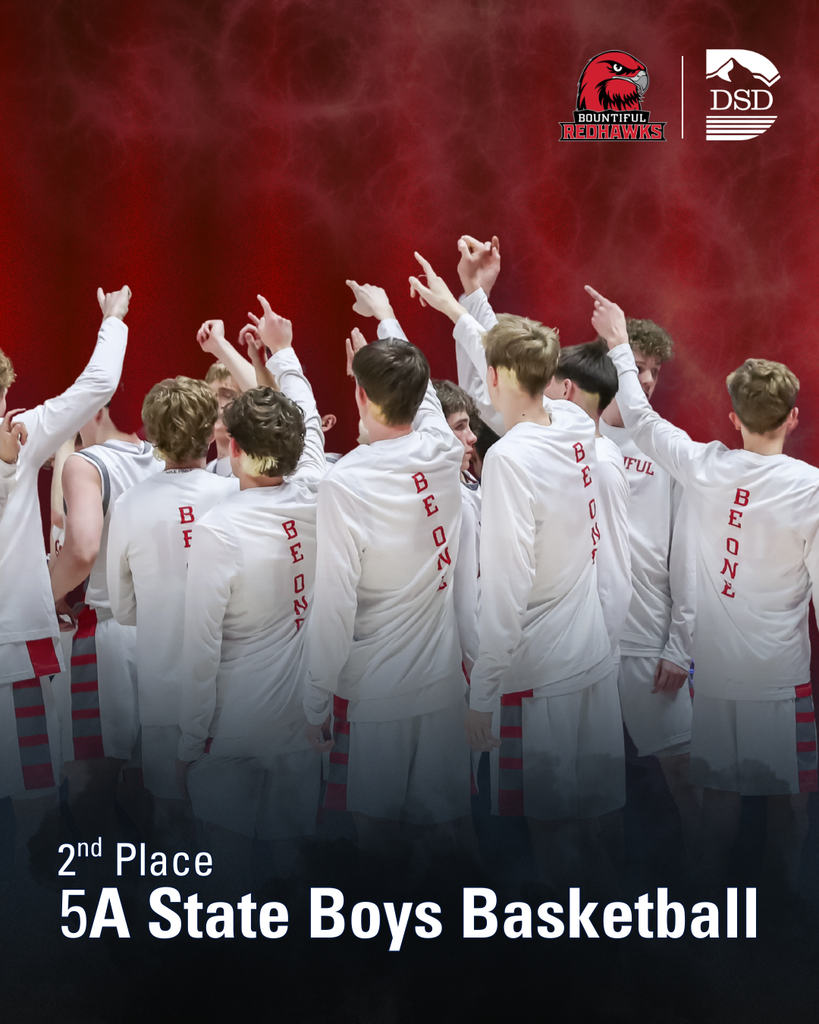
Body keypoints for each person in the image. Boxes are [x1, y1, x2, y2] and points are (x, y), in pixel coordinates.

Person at [589, 284, 818, 888]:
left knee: (717, 803)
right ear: (794, 417)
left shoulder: (702, 464)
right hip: (781, 679)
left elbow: (639, 417)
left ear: (733, 417)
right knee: (789, 801)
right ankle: (785, 910)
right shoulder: (812, 489)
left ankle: (707, 909)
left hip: (716, 677)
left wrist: (617, 343)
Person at [409, 254, 623, 886]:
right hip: (595, 661)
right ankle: (626, 966)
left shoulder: (511, 461)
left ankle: (571, 973)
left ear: (497, 374)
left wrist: (483, 694)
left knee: (554, 836)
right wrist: (461, 307)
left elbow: (506, 586)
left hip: (539, 675)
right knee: (600, 827)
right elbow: (513, 365)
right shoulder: (579, 430)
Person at [303, 279, 470, 860]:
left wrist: (314, 701)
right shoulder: (445, 450)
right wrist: (387, 316)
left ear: (359, 397)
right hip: (446, 685)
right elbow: (423, 403)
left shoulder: (344, 480)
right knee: (447, 844)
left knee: (377, 847)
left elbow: (333, 602)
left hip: (377, 693)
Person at [176, 299, 325, 881]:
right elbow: (306, 414)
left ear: (232, 449)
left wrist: (189, 740)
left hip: (233, 729)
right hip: (300, 728)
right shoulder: (318, 487)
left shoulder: (219, 528)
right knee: (293, 875)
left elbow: (200, 648)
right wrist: (282, 351)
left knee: (226, 879)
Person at [0, 286, 130, 821]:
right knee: (32, 819)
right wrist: (113, 319)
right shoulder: (20, 436)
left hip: (16, 645)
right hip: (12, 651)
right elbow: (98, 383)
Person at [106, 372, 237, 826]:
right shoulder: (237, 493)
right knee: (232, 826)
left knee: (172, 818)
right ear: (210, 428)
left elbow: (122, 610)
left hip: (164, 688)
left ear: (153, 435)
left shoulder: (127, 504)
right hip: (232, 687)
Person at [597, 317, 698, 855]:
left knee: (688, 779)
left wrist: (681, 645)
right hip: (580, 645)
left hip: (648, 645)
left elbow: (689, 555)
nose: (650, 380)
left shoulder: (666, 447)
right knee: (590, 793)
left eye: (655, 371)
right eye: (639, 367)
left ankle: (714, 902)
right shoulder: (571, 435)